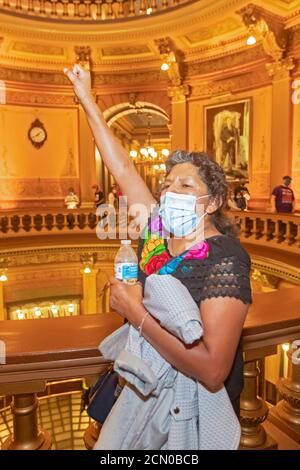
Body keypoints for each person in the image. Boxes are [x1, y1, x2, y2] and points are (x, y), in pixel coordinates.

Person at [64, 64, 252, 442]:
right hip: (145, 400)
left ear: (213, 201)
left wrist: (135, 312)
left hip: (189, 415)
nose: (170, 192)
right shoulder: (157, 234)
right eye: (166, 184)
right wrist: (86, 99)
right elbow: (122, 167)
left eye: (185, 184)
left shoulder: (225, 257)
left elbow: (214, 368)